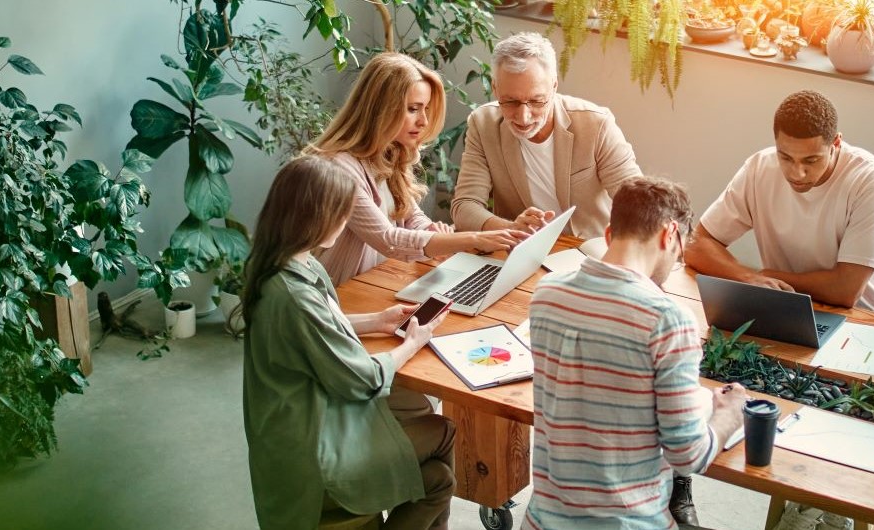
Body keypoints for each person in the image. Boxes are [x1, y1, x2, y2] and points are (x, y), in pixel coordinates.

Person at [241, 155, 455, 530]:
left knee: (436, 473)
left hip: (290, 438)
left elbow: (310, 328)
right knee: (441, 453)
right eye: (340, 213)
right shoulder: (295, 293)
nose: (345, 223)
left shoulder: (279, 265)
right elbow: (363, 380)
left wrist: (378, 320)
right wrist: (412, 343)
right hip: (317, 455)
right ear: (315, 217)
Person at [524, 176, 748, 530]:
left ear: (610, 233)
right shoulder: (668, 320)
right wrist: (729, 415)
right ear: (669, 234)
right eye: (678, 252)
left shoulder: (546, 293)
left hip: (541, 521)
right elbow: (690, 456)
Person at [310, 52, 527, 287]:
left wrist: (432, 231)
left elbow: (411, 216)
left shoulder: (389, 153)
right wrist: (473, 239)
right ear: (380, 110)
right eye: (413, 109)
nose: (423, 121)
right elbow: (388, 239)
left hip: (381, 281)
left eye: (425, 109)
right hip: (342, 294)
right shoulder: (339, 169)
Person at [685, 90, 874, 317]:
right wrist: (749, 278)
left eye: (811, 160)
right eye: (786, 158)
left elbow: (846, 290)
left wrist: (769, 277)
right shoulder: (759, 169)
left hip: (870, 319)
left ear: (836, 143)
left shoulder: (872, 182)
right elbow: (696, 245)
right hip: (792, 308)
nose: (797, 173)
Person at [451, 32, 644, 239]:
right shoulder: (483, 124)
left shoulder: (596, 125)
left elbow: (639, 201)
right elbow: (465, 205)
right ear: (495, 88)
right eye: (510, 102)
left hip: (587, 249)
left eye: (536, 101)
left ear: (554, 86)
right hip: (521, 250)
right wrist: (511, 228)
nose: (523, 118)